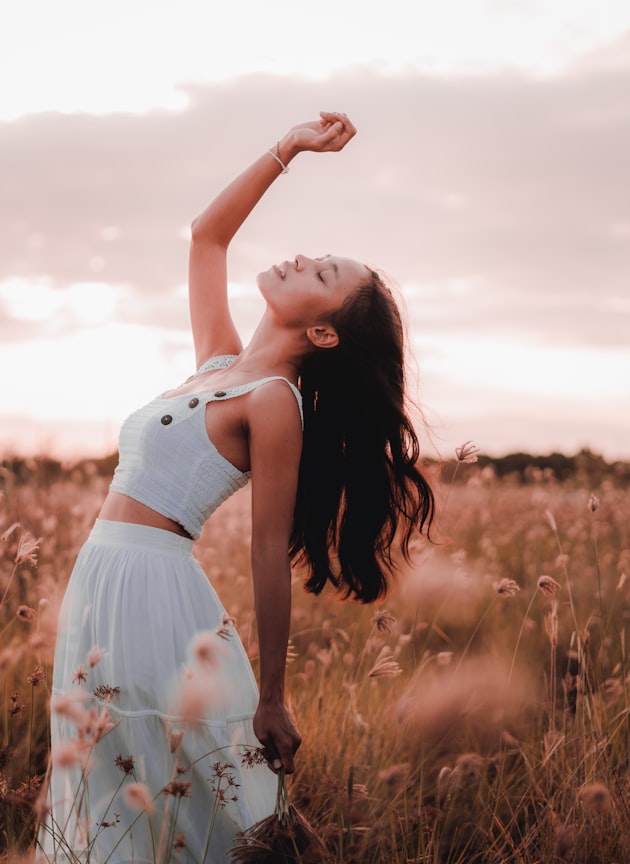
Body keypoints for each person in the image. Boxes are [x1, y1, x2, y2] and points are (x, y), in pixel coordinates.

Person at [37, 112, 435, 863]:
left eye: (322, 275)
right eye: (318, 256)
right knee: (110, 776)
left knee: (184, 786)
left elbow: (265, 550)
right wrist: (287, 149)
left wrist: (274, 695)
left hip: (158, 593)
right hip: (101, 580)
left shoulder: (274, 402)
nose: (302, 259)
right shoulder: (221, 366)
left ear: (324, 335)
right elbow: (206, 237)